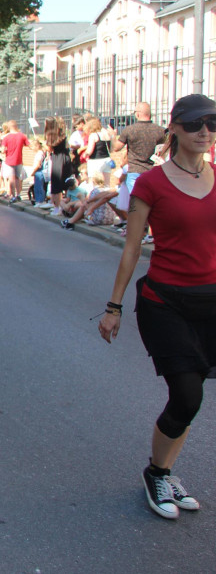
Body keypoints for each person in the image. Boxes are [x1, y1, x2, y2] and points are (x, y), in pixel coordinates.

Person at [99, 93, 216, 521]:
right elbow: (131, 249)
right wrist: (113, 307)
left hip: (211, 300)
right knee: (187, 393)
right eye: (196, 123)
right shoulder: (151, 183)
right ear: (176, 129)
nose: (206, 131)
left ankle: (165, 471)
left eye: (212, 123)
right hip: (165, 301)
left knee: (191, 399)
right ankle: (156, 474)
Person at [110, 102, 167, 196]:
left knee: (135, 203)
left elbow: (116, 148)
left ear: (138, 114)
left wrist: (113, 136)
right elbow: (163, 150)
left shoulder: (130, 130)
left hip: (134, 170)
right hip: (152, 170)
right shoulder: (160, 131)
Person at [0, 120, 30, 203]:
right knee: (18, 178)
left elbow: (2, 150)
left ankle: (13, 195)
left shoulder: (6, 138)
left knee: (11, 179)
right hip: (19, 160)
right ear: (16, 126)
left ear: (9, 127)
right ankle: (18, 194)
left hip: (9, 161)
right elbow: (28, 145)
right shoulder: (22, 136)